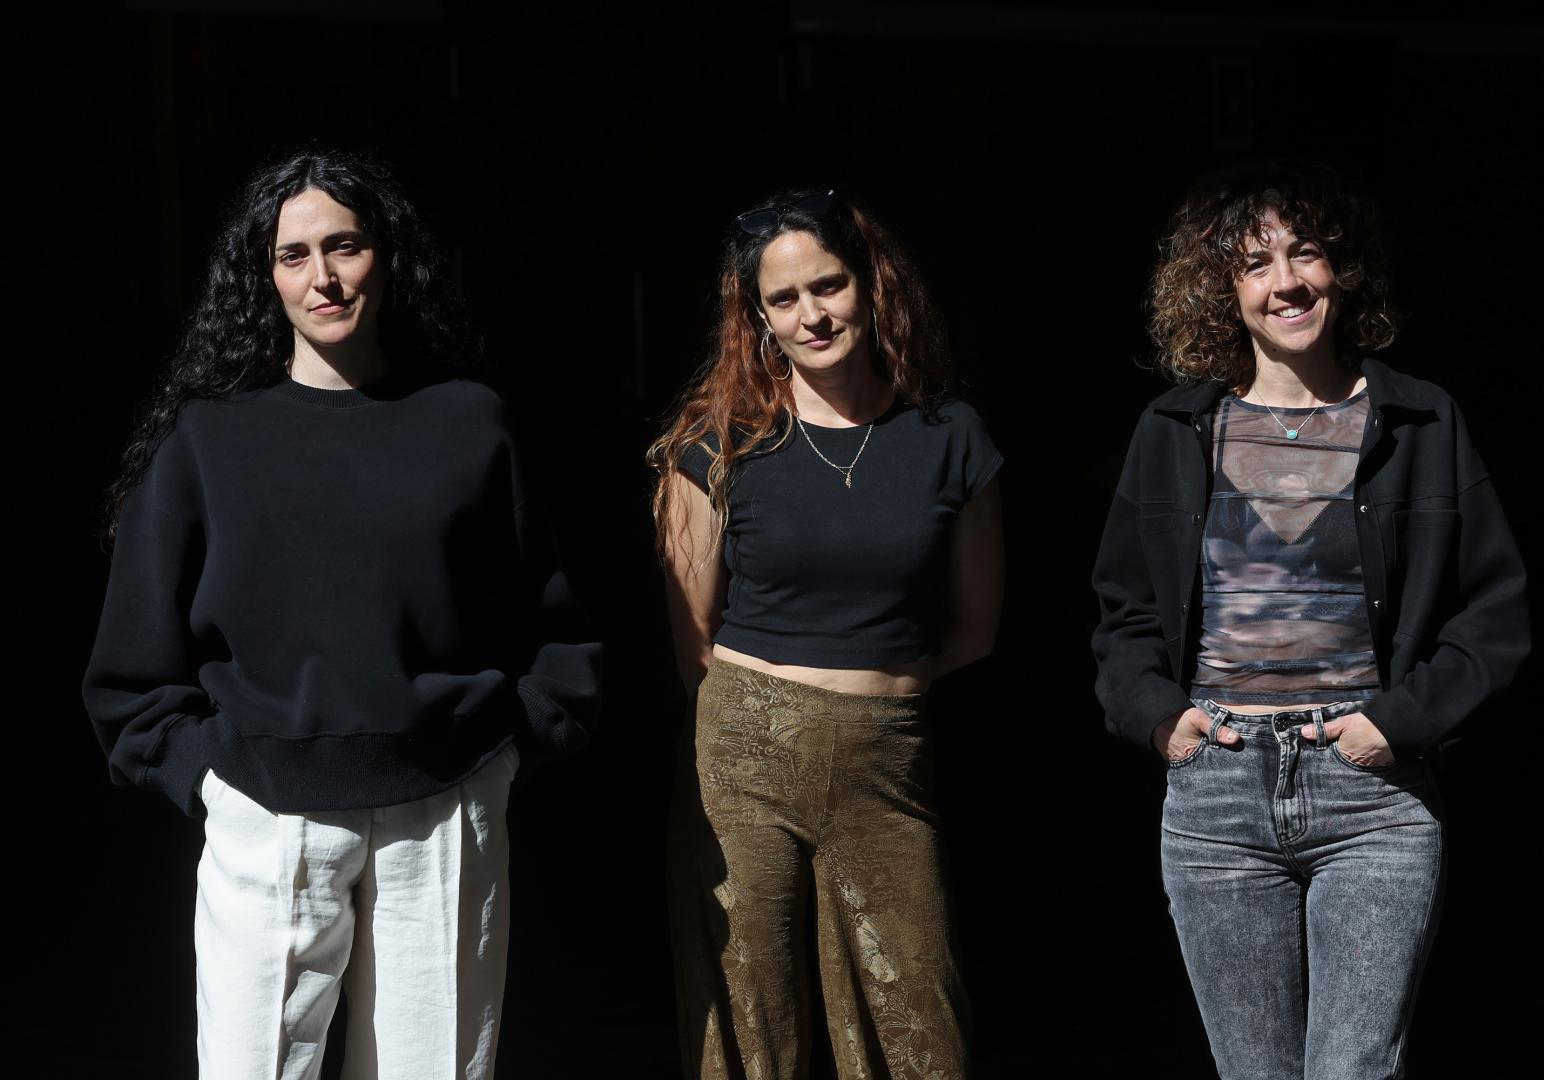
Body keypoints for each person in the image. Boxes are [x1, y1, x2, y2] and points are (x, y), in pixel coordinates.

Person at [83, 149, 599, 1080]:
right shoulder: (208, 438)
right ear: (265, 277)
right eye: (293, 255)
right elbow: (131, 662)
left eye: (345, 246)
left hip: (443, 806)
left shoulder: (466, 422)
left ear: (386, 258)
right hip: (267, 814)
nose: (322, 276)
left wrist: (510, 749)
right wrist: (211, 780)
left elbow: (548, 617)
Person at [1091, 162, 1529, 1079]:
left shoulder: (1419, 421)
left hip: (1370, 795)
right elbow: (1123, 613)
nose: (1285, 281)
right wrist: (1162, 721)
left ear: (1345, 271)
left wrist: (1394, 724)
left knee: (1353, 1070)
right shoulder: (1175, 430)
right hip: (1217, 794)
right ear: (1225, 292)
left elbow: (1493, 615)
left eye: (1307, 254)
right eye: (1255, 264)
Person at [649, 189, 1003, 1078]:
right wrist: (764, 714)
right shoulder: (720, 441)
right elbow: (691, 636)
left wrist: (877, 690)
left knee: (919, 1021)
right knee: (746, 1015)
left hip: (886, 754)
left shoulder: (948, 436)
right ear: (760, 318)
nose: (811, 313)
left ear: (869, 284)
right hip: (743, 752)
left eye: (828, 286)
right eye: (784, 299)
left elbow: (976, 626)